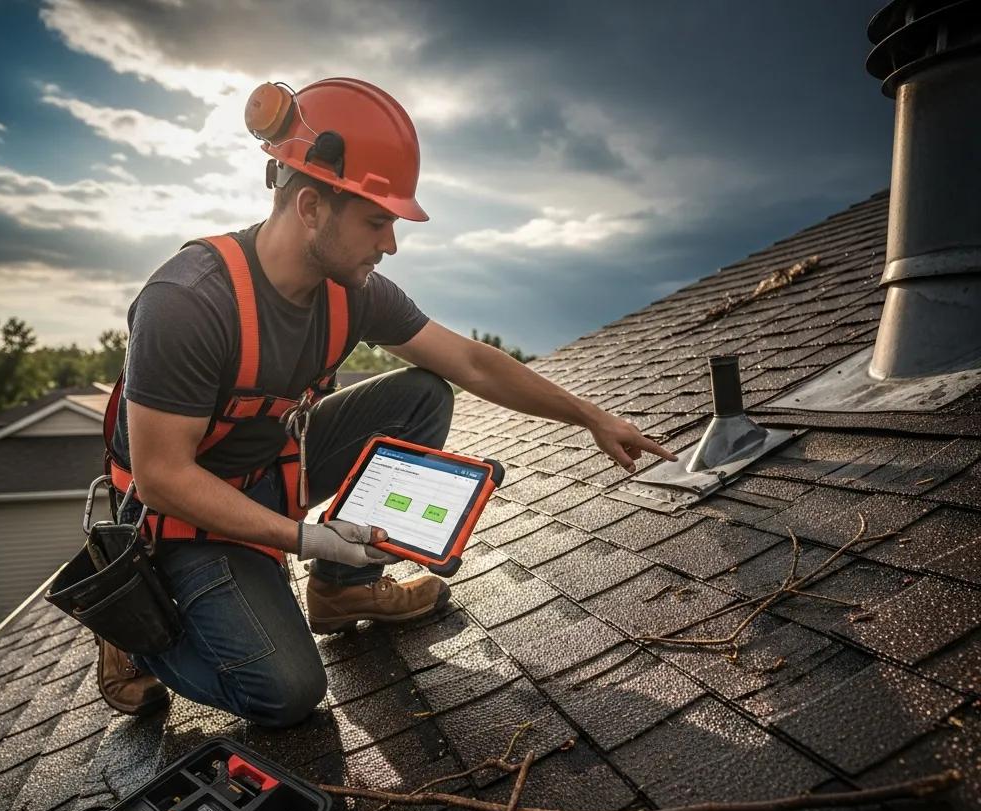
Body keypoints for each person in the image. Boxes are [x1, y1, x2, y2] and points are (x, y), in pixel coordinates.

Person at [98, 77, 675, 727]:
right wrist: (309, 536)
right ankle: (135, 633)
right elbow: (164, 477)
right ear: (311, 206)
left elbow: (472, 362)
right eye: (378, 221)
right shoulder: (189, 301)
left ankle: (343, 593)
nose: (391, 244)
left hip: (273, 466)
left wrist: (594, 418)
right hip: (181, 513)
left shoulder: (355, 292)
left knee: (423, 394)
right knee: (285, 692)